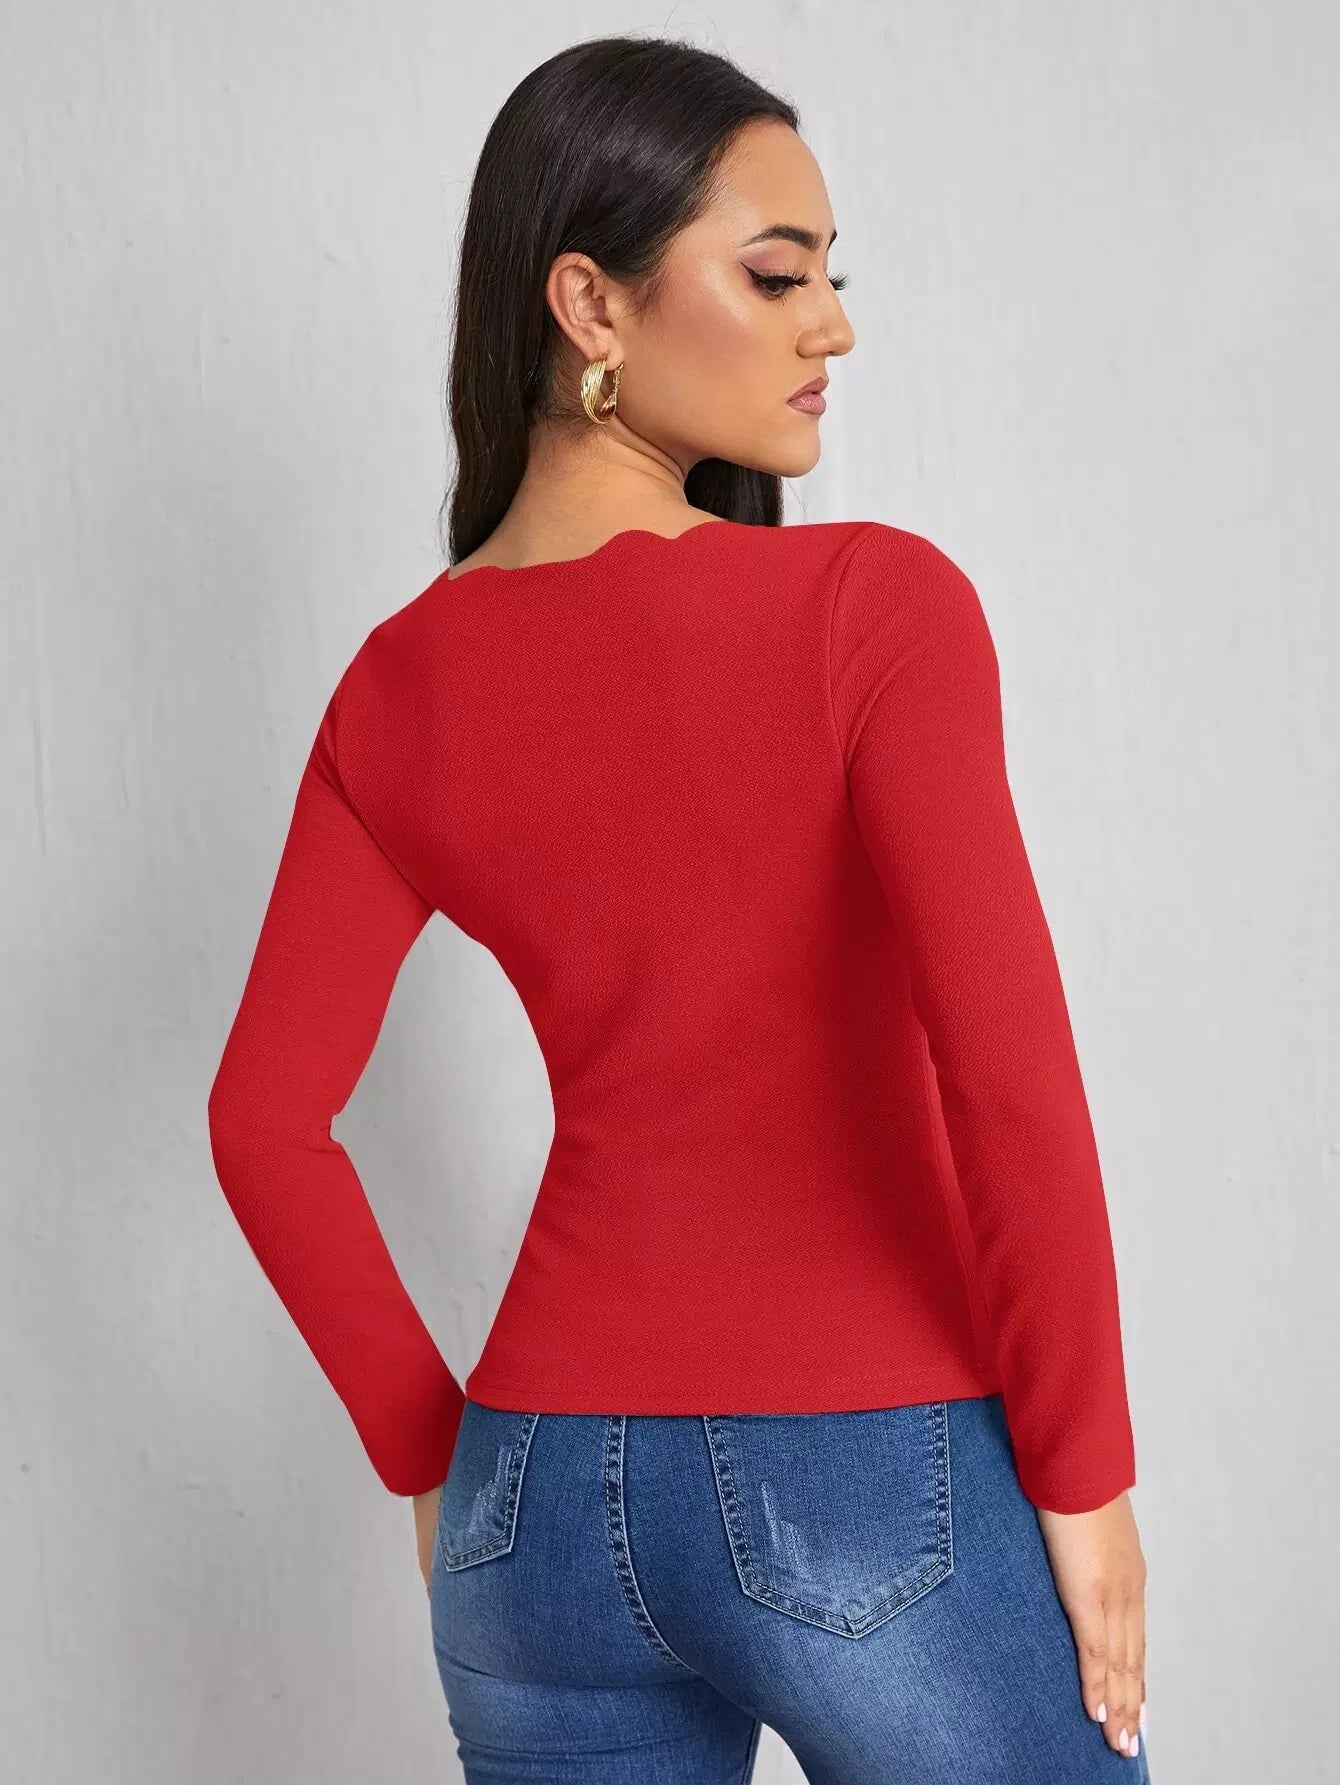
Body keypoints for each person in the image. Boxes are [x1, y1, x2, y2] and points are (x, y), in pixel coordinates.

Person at [206, 33, 1150, 1784]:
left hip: (538, 1506)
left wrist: (434, 1455)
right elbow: (1008, 1078)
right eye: (778, 275)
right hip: (871, 1476)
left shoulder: (396, 689)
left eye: (834, 278)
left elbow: (263, 1122)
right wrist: (1087, 1478)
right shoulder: (872, 608)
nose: (832, 328)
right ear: (591, 304)